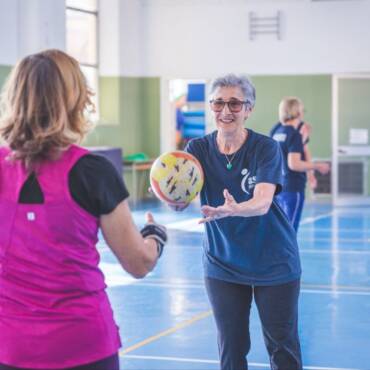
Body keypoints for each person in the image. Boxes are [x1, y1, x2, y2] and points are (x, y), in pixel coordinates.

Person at [0, 49, 167, 370]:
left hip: (11, 347)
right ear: (75, 98)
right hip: (82, 345)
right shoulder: (93, 170)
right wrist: (155, 236)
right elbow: (138, 262)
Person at [184, 74, 303, 370]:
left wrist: (234, 209)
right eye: (219, 103)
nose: (226, 111)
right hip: (222, 262)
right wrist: (170, 196)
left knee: (282, 346)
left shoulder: (265, 148)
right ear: (211, 107)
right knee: (231, 348)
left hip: (274, 260)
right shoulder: (196, 149)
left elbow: (263, 202)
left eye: (235, 103)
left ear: (248, 108)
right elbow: (181, 200)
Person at [270, 97, 330, 232]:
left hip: (278, 187)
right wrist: (317, 166)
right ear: (298, 112)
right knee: (290, 230)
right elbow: (294, 163)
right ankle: (286, 254)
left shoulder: (276, 131)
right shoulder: (295, 134)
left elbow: (300, 150)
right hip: (293, 187)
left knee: (280, 228)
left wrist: (310, 175)